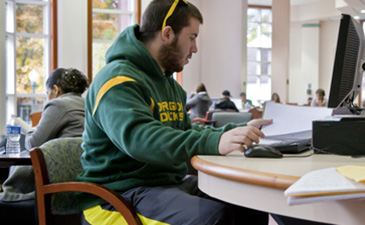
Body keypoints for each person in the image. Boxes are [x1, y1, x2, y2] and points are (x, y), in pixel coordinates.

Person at [76, 1, 272, 224]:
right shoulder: (117, 81)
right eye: (192, 37)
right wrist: (215, 142)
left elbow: (185, 131)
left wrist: (236, 132)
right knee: (211, 218)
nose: (195, 48)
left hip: (163, 186)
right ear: (168, 34)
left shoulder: (170, 86)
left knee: (248, 204)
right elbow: (141, 140)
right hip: (117, 196)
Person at [0, 67, 88, 202]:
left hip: (54, 176)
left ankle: (8, 195)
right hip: (78, 174)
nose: (48, 97)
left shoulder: (58, 104)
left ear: (55, 89)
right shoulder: (86, 104)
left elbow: (34, 143)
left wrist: (30, 129)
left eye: (47, 92)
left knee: (10, 141)